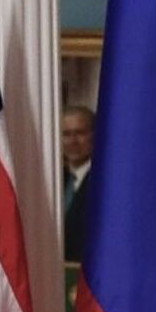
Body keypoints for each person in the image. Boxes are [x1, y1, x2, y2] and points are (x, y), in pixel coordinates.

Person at [62, 101, 95, 264]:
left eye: (80, 133)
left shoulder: (105, 184)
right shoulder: (56, 180)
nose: (73, 141)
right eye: (66, 134)